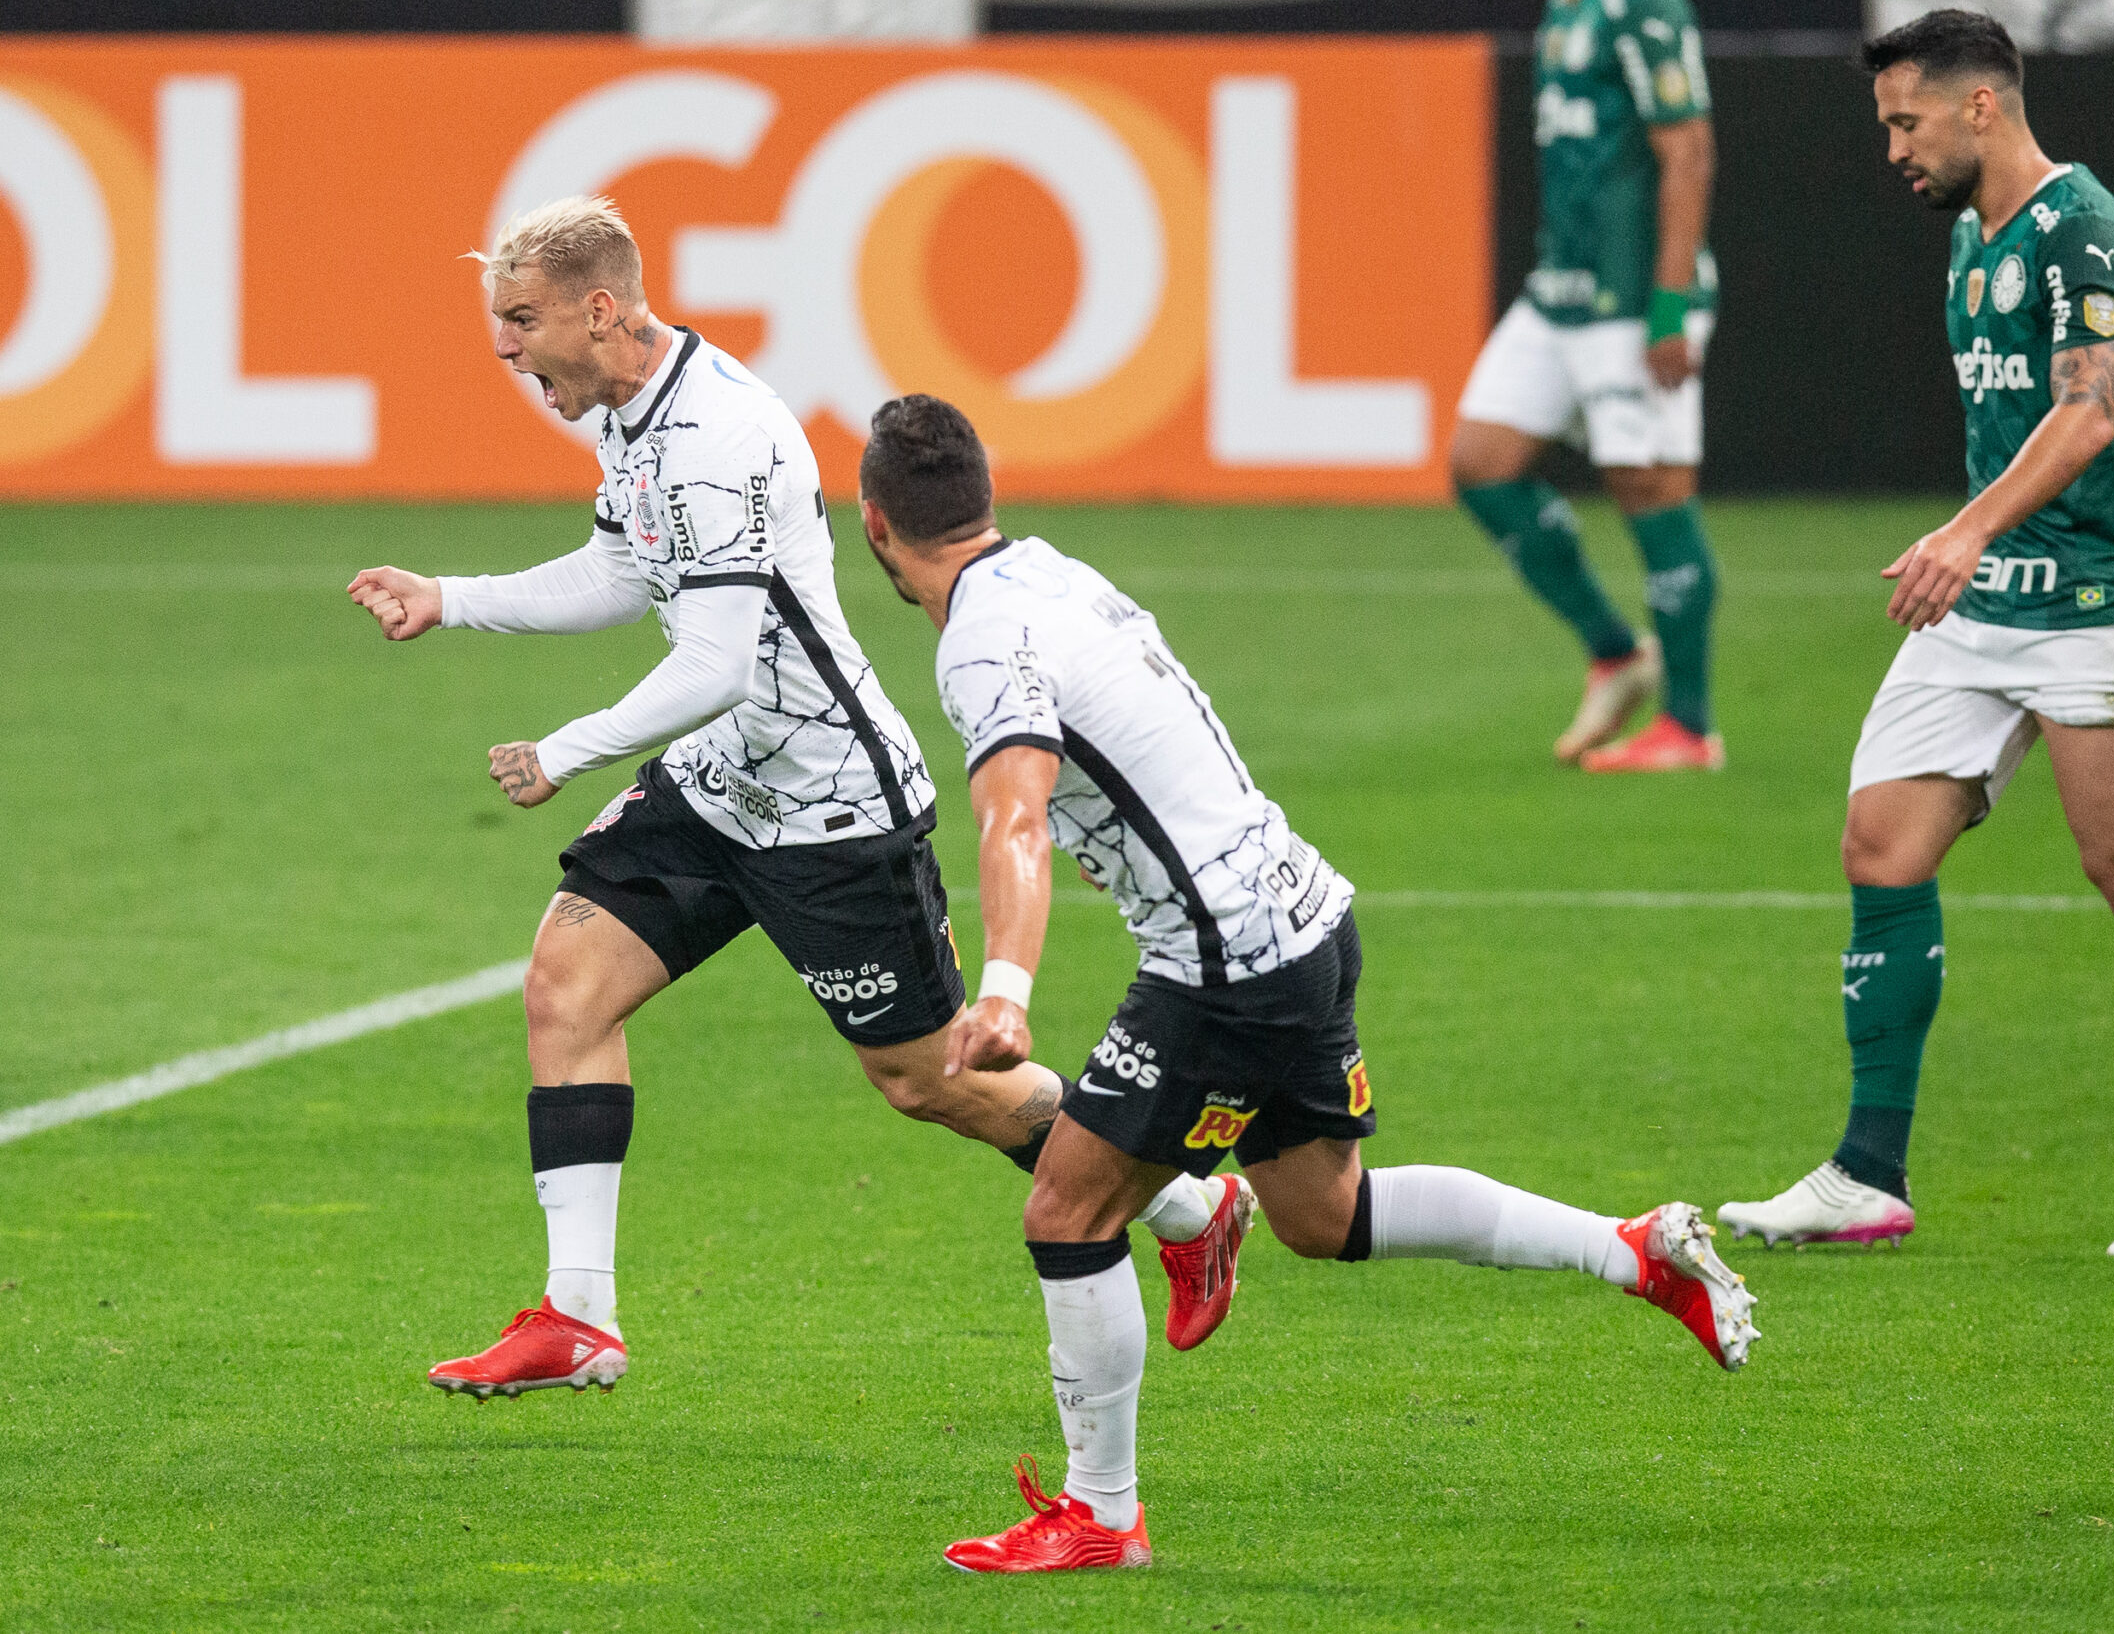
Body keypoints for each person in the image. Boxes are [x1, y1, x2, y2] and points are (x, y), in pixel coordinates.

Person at [853, 394, 1760, 1574]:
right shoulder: (1048, 573)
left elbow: (1015, 812)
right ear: (986, 496)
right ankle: (1630, 1248)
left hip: (1224, 964)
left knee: (1066, 1210)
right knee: (1326, 1218)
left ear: (873, 524)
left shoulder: (981, 640)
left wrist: (1009, 983)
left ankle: (1101, 1513)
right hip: (1305, 914)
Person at [345, 196, 1086, 1401]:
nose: (504, 346)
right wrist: (452, 594)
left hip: (830, 799)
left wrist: (565, 747)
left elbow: (718, 662)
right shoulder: (631, 419)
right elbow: (619, 571)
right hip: (725, 781)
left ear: (601, 308)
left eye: (521, 319)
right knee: (566, 981)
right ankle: (577, 1318)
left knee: (927, 1080)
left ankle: (1186, 1200)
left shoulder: (718, 432)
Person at [1717, 12, 2114, 1258]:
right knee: (1880, 846)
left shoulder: (2085, 231)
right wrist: (1971, 551)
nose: (1892, 148)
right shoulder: (1972, 236)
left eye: (1905, 122)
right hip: (1982, 606)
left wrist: (1961, 531)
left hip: (2095, 599)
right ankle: (1867, 1171)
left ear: (1979, 108)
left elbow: (2086, 415)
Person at [1450, 0, 1724, 774]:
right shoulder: (1566, 5)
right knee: (1481, 462)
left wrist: (1668, 303)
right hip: (1557, 290)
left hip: (1631, 297)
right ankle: (1615, 651)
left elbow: (1686, 149)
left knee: (1648, 486)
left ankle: (1689, 727)